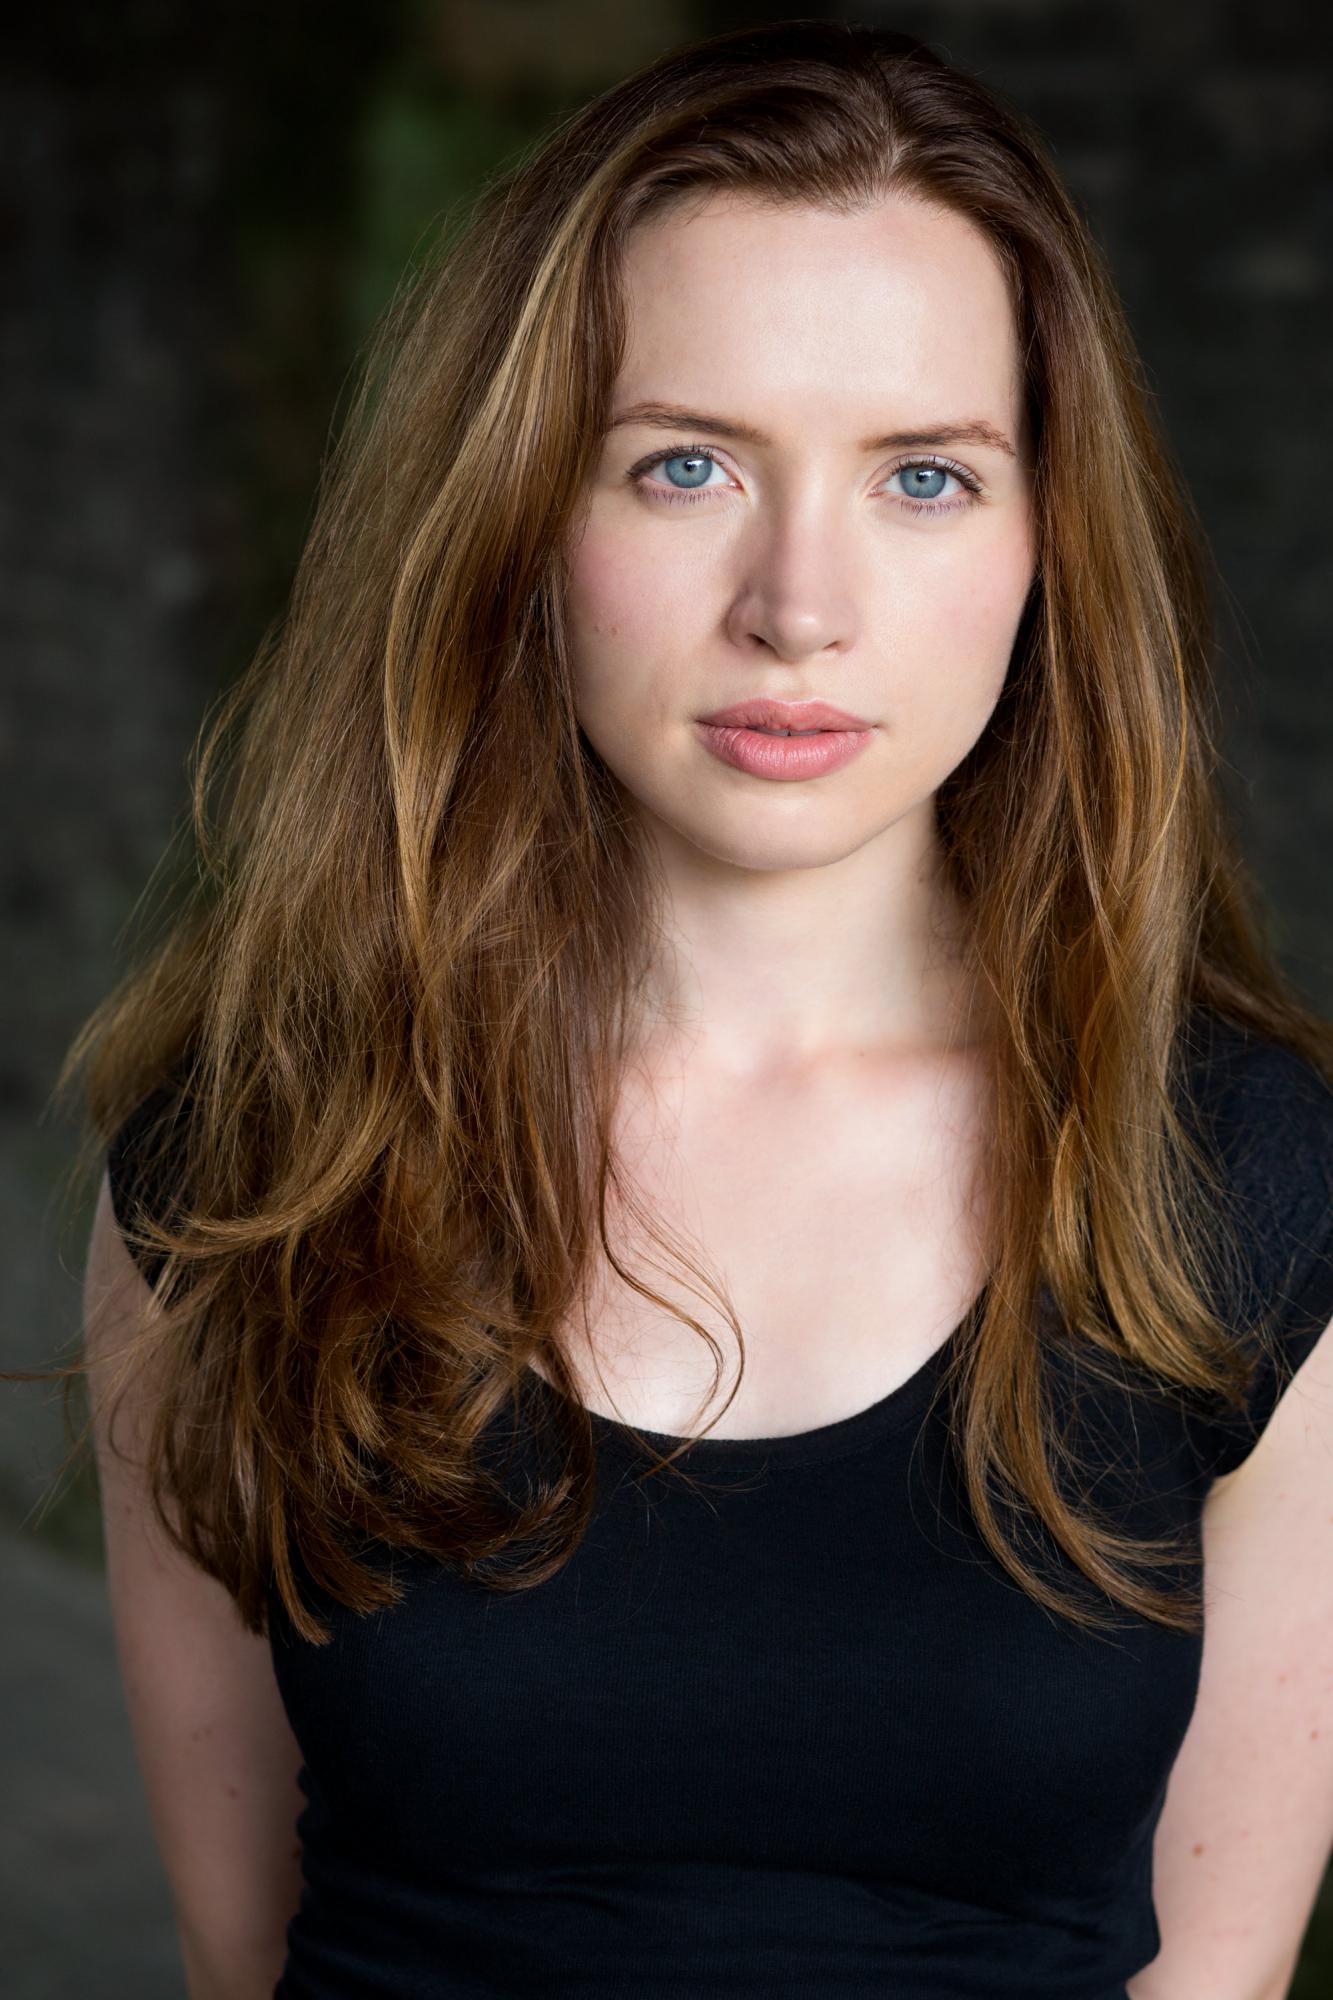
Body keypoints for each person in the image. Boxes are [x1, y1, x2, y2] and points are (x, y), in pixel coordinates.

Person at [43, 19, 1333, 2000]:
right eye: (683, 465)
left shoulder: (1245, 1181)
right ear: (520, 519)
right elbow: (249, 1956)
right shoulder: (255, 1169)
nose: (796, 602)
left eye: (922, 475)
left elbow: (1214, 1977)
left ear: (1044, 543)